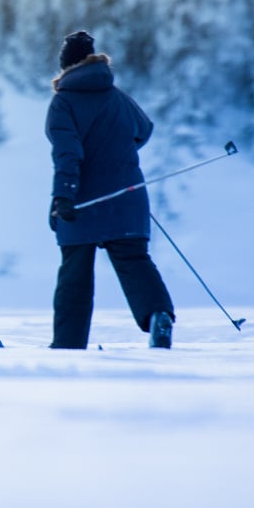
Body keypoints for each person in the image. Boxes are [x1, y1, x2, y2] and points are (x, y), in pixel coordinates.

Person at [45, 31, 175, 349]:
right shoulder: (116, 96)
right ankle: (159, 316)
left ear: (65, 67)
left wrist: (62, 196)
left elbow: (67, 153)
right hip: (126, 195)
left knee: (75, 273)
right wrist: (116, 154)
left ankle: (68, 344)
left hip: (82, 202)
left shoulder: (63, 101)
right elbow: (143, 131)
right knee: (134, 262)